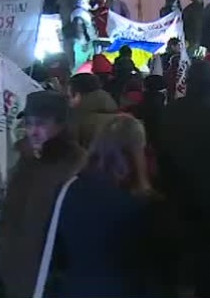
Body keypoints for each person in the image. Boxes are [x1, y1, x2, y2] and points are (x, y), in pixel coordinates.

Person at [157, 60, 210, 297]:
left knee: (176, 251)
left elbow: (160, 149)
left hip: (175, 191)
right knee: (206, 254)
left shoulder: (170, 110)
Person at [49, 115, 155, 297]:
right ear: (137, 153)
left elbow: (56, 252)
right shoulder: (139, 203)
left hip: (75, 289)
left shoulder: (67, 190)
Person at [0, 92, 87, 297]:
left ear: (61, 126)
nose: (33, 131)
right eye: (28, 123)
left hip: (47, 279)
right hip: (11, 273)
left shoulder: (75, 167)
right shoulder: (25, 160)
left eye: (41, 124)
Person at [67, 73, 119, 149]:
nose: (68, 102)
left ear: (77, 95)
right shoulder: (121, 119)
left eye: (69, 97)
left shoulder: (78, 122)